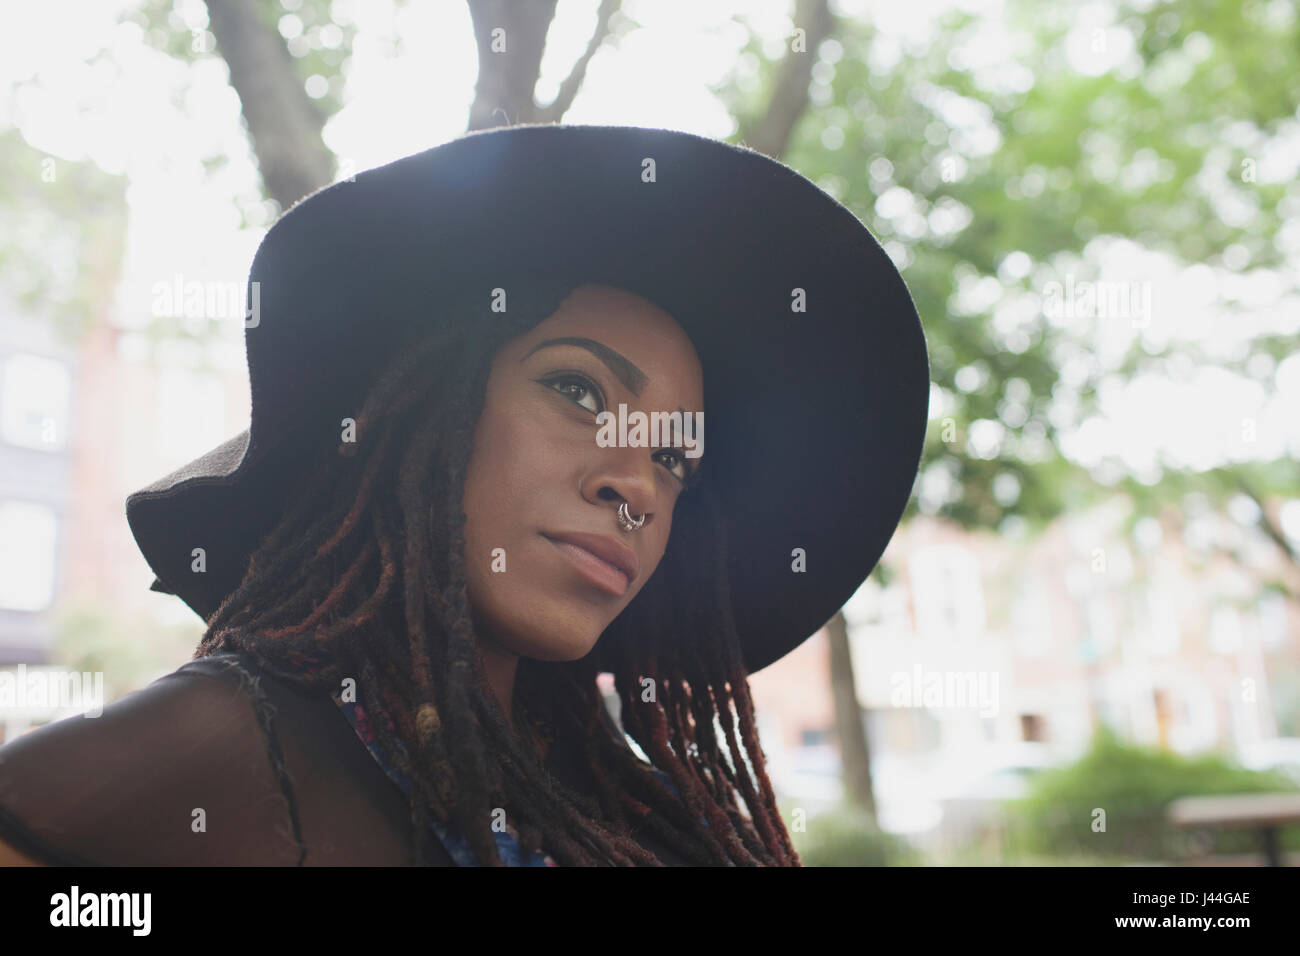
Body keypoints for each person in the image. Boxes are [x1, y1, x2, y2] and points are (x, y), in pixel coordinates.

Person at [0, 123, 929, 866]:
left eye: (677, 459)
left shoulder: (620, 809)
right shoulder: (184, 766)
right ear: (417, 417)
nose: (638, 486)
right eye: (578, 391)